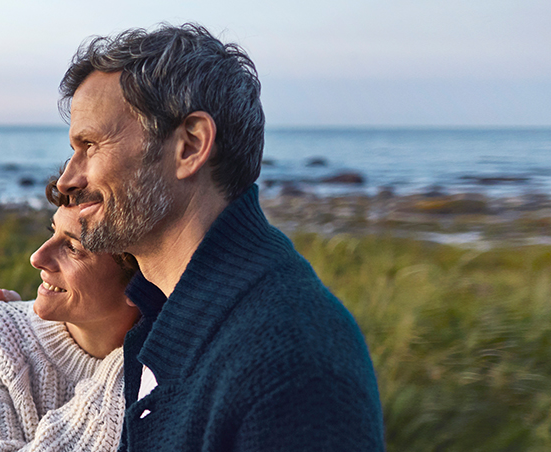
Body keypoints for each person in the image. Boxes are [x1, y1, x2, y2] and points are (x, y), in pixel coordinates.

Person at [54, 23, 385, 450]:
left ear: (190, 146)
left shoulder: (292, 360)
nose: (67, 178)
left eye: (91, 145)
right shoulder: (162, 313)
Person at [0, 181, 155, 451]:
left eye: (73, 248)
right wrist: (126, 375)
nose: (37, 257)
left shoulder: (170, 363)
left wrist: (129, 364)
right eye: (52, 232)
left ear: (140, 285)